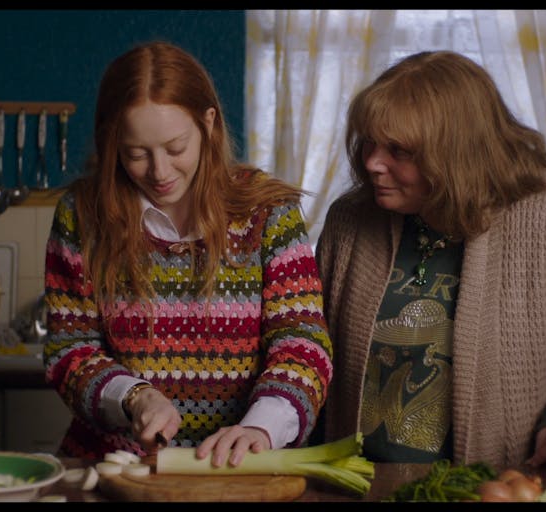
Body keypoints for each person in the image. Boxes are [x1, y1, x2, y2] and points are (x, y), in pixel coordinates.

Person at [314, 50, 546, 472]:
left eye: (399, 150)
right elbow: (312, 345)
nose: (372, 163)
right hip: (357, 485)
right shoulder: (349, 219)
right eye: (369, 140)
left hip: (501, 485)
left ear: (457, 152)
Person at [42, 41, 333, 467]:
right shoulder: (82, 216)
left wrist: (262, 426)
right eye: (136, 154)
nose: (159, 172)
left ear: (208, 123)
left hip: (243, 468)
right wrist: (133, 396)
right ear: (111, 142)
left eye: (175, 148)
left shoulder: (267, 212)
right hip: (117, 470)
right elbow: (70, 349)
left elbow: (303, 343)